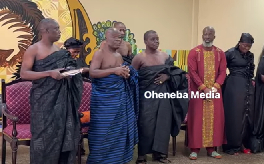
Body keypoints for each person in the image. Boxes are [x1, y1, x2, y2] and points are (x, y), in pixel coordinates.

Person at [20, 18, 83, 164]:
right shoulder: (33, 49)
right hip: (43, 101)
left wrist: (71, 73)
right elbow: (24, 74)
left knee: (62, 135)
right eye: (56, 29)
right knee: (43, 138)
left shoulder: (60, 51)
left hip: (62, 101)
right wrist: (49, 73)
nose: (60, 32)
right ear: (45, 31)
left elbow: (68, 70)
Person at [132, 30, 188, 164]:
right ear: (145, 41)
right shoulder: (139, 58)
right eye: (153, 39)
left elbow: (178, 74)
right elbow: (132, 78)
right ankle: (142, 155)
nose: (156, 41)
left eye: (157, 39)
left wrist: (167, 76)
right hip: (146, 97)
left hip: (163, 95)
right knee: (146, 124)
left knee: (163, 123)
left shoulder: (165, 56)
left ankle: (160, 154)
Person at [87, 28, 139, 164]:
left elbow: (119, 72)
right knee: (102, 132)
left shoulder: (118, 56)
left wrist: (125, 72)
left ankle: (117, 159)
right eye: (115, 37)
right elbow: (92, 72)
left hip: (119, 97)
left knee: (119, 131)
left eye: (120, 38)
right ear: (107, 38)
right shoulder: (99, 54)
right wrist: (114, 70)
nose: (118, 40)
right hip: (103, 100)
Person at [186, 26, 227, 160]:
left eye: (210, 34)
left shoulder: (220, 53)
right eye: (205, 34)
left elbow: (222, 72)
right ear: (202, 35)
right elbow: (192, 72)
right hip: (198, 92)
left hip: (215, 92)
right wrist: (204, 88)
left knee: (215, 120)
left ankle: (212, 149)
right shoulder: (194, 52)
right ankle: (194, 149)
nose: (207, 37)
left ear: (214, 36)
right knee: (196, 119)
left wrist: (215, 87)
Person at [222, 33, 255, 155]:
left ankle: (243, 144)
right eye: (245, 45)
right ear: (240, 42)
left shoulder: (250, 55)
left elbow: (251, 70)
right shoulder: (230, 53)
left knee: (247, 114)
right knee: (234, 116)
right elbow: (220, 69)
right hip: (234, 84)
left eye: (249, 46)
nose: (246, 48)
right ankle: (231, 146)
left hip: (247, 85)